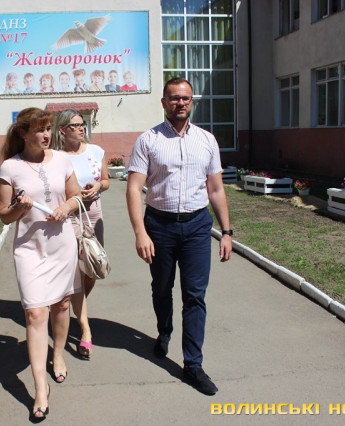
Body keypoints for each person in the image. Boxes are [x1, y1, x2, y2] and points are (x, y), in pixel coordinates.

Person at [126, 77, 232, 396]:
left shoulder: (207, 141)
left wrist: (226, 232)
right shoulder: (149, 140)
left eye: (186, 98)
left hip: (197, 226)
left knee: (195, 296)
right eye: (174, 98)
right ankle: (164, 330)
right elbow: (134, 188)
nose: (180, 103)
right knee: (161, 288)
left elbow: (216, 189)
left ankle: (193, 365)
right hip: (159, 226)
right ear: (164, 103)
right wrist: (140, 232)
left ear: (192, 102)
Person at [0, 107, 83, 419]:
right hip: (29, 249)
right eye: (39, 130)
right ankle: (40, 389)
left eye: (48, 129)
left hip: (61, 245)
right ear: (23, 133)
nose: (47, 135)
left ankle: (57, 354)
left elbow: (76, 196)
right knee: (35, 313)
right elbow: (3, 215)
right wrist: (19, 208)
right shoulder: (10, 167)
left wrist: (67, 207)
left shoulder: (62, 160)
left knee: (62, 305)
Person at [51, 109, 109, 359]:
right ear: (63, 130)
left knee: (93, 267)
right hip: (71, 216)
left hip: (93, 213)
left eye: (82, 124)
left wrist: (98, 186)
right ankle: (85, 328)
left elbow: (106, 181)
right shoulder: (56, 157)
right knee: (76, 270)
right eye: (74, 125)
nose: (80, 128)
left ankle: (76, 306)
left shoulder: (96, 151)